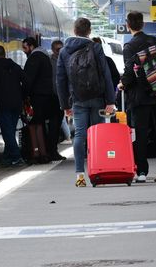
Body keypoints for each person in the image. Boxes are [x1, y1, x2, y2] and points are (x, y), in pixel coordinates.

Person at [56, 18, 116, 187]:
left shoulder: (64, 51)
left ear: (74, 31)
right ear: (89, 31)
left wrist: (65, 106)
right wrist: (110, 100)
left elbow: (60, 80)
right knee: (96, 135)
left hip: (77, 99)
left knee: (80, 135)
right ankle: (98, 171)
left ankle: (79, 175)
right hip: (97, 98)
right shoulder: (96, 47)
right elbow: (105, 74)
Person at [119, 11, 156, 183]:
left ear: (128, 25)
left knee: (140, 134)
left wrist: (122, 84)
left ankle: (141, 172)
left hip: (139, 97)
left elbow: (129, 72)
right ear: (143, 24)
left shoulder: (130, 46)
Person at [22, 37, 65, 161]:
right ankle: (45, 152)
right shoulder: (46, 57)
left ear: (31, 46)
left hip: (40, 98)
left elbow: (28, 79)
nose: (24, 51)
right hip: (50, 97)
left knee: (38, 124)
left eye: (25, 48)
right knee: (47, 125)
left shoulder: (35, 58)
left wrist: (24, 96)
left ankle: (40, 153)